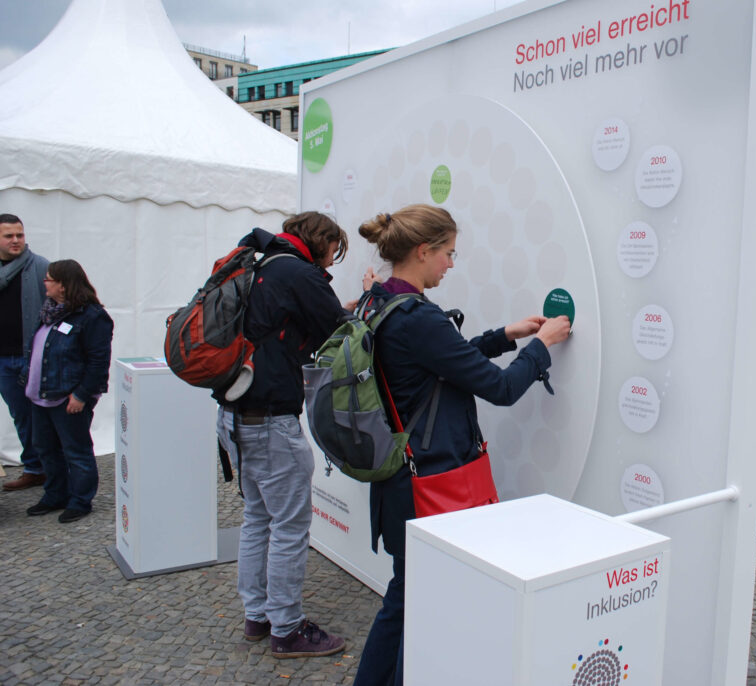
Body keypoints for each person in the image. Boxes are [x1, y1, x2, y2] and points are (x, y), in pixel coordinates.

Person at [352, 204, 571, 686]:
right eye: (448, 253)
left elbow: (436, 365)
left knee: (407, 596)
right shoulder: (418, 318)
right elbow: (501, 389)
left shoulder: (378, 302)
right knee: (416, 602)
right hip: (431, 482)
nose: (451, 264)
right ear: (423, 251)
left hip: (398, 480)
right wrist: (543, 345)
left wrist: (506, 336)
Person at [213, 212, 349, 658]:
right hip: (271, 421)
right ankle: (287, 630)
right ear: (323, 242)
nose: (333, 259)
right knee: (290, 527)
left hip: (234, 413)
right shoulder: (299, 271)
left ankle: (258, 616)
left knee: (258, 517)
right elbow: (341, 332)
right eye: (334, 251)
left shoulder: (258, 263)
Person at [23, 260, 113, 523]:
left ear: (63, 285)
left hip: (68, 397)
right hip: (41, 396)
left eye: (49, 279)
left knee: (76, 449)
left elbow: (98, 361)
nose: (45, 283)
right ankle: (55, 495)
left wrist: (82, 395)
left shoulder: (92, 317)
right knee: (46, 448)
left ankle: (81, 499)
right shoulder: (51, 311)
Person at [0, 214, 49, 491]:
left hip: (33, 356)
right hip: (3, 358)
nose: (16, 240)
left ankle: (54, 468)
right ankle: (34, 467)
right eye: (9, 236)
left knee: (43, 414)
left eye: (19, 234)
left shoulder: (40, 267)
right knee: (20, 413)